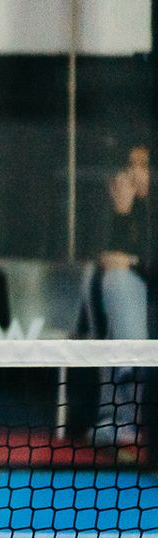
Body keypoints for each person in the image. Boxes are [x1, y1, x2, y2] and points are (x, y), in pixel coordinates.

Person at [93, 144, 150, 447]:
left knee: (118, 278)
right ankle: (116, 414)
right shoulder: (121, 206)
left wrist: (133, 262)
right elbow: (106, 257)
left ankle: (120, 408)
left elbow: (129, 259)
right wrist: (121, 213)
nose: (135, 173)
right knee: (111, 280)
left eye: (143, 165)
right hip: (132, 304)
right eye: (130, 165)